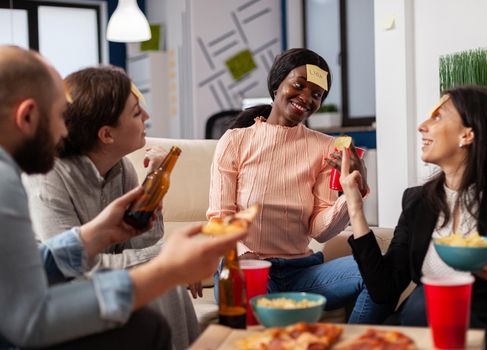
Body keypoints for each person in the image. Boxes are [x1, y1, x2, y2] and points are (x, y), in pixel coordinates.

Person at [0, 45, 245, 349]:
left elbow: (36, 267)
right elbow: (30, 321)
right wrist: (164, 268)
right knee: (147, 319)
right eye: (60, 115)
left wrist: (94, 234)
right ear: (27, 117)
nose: (66, 130)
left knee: (150, 316)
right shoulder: (9, 180)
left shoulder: (121, 170)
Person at [207, 48, 393, 323]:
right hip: (247, 268)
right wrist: (223, 262)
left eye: (316, 95)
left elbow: (320, 230)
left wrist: (351, 190)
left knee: (382, 275)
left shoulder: (325, 147)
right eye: (298, 85)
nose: (306, 98)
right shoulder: (235, 141)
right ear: (276, 83)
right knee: (263, 319)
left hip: (301, 272)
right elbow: (220, 218)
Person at [23, 66, 200, 349]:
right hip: (58, 296)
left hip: (99, 282)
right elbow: (71, 268)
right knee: (164, 274)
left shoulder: (121, 169)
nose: (147, 117)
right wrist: (168, 258)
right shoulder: (47, 178)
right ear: (106, 135)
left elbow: (138, 246)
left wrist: (151, 192)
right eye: (135, 113)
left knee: (166, 280)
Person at [339, 85, 487, 349]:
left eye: (438, 117)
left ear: (467, 134)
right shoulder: (417, 202)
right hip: (418, 330)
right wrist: (354, 205)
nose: (422, 126)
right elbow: (384, 289)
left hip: (482, 335)